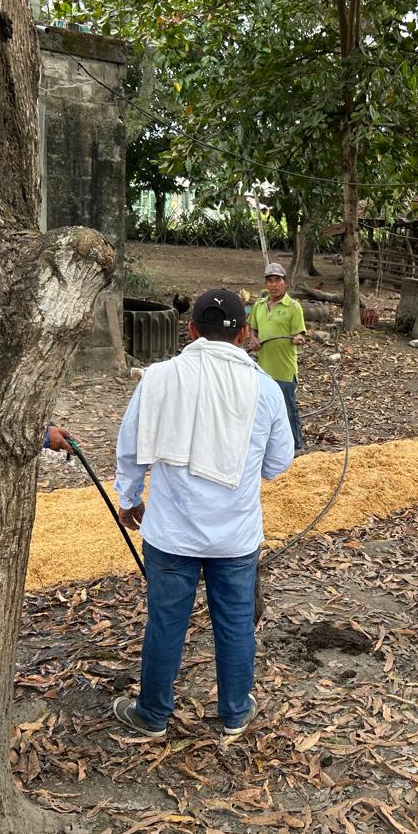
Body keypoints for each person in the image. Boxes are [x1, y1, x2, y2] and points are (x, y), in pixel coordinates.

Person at [112, 288, 293, 740]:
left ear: (190, 329)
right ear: (245, 334)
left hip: (171, 533)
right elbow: (278, 463)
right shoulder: (265, 388)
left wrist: (129, 499)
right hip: (235, 536)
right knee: (235, 624)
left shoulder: (158, 377)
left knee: (165, 623)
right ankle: (235, 712)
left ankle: (152, 714)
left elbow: (130, 448)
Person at [247, 262, 306, 452]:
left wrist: (298, 338)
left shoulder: (293, 307)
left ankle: (296, 445)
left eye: (277, 280)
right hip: (263, 368)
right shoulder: (259, 305)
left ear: (285, 283)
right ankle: (271, 445)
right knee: (264, 408)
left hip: (284, 369)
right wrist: (253, 339)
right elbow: (252, 328)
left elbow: (299, 332)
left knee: (288, 408)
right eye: (270, 281)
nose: (274, 285)